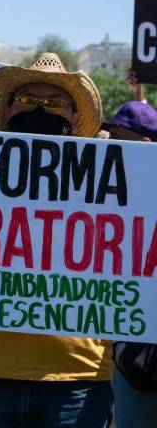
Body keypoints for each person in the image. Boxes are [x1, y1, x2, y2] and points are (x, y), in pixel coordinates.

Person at [0, 52, 112, 427]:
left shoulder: (109, 182)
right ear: (8, 111)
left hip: (77, 380)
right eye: (28, 101)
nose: (40, 110)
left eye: (54, 103)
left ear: (74, 117)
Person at [102, 100, 157, 427]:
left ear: (146, 145)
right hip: (132, 357)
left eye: (119, 137)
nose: (110, 144)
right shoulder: (104, 191)